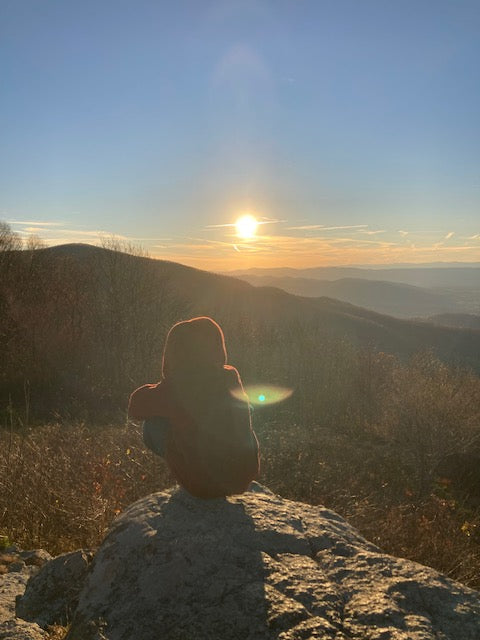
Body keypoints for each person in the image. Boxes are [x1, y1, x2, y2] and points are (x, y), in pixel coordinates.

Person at [128, 316, 260, 498]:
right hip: (240, 479)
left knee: (152, 424)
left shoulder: (176, 386)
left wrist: (162, 384)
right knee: (240, 411)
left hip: (204, 487)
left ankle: (191, 473)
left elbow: (135, 407)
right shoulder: (230, 376)